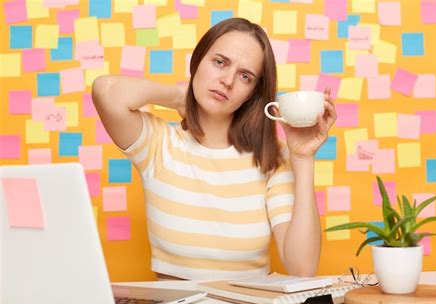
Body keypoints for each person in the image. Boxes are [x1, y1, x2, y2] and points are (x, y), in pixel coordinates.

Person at [92, 17, 336, 281]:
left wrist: (302, 158)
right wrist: (179, 97)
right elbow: (106, 90)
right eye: (220, 62)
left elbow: (302, 269)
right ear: (198, 62)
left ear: (252, 93)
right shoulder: (159, 143)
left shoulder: (271, 158)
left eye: (245, 76)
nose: (228, 80)